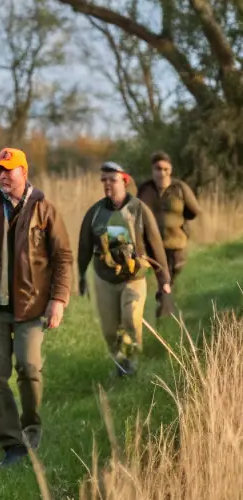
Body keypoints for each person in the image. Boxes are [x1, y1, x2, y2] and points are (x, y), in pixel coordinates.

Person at [0, 148, 73, 469]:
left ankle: (32, 427)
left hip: (31, 307)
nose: (2, 176)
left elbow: (63, 258)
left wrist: (58, 300)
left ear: (24, 171)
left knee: (29, 368)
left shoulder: (44, 210)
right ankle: (12, 444)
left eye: (9, 170)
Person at [77, 161, 172, 376]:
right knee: (110, 331)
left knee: (130, 318)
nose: (107, 184)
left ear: (125, 181)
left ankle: (132, 359)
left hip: (134, 278)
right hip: (104, 279)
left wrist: (163, 279)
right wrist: (81, 276)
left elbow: (156, 245)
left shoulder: (139, 209)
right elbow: (84, 246)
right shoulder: (95, 212)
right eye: (104, 180)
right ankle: (120, 363)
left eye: (112, 179)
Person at [137, 150, 200, 317]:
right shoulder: (145, 189)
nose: (162, 173)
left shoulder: (180, 188)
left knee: (170, 276)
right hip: (153, 245)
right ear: (152, 170)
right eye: (158, 169)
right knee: (163, 278)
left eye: (165, 169)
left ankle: (164, 303)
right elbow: (135, 212)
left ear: (170, 170)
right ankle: (165, 312)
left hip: (176, 243)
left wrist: (177, 220)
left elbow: (194, 211)